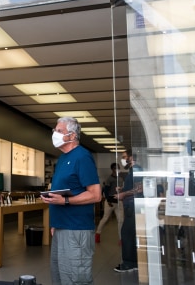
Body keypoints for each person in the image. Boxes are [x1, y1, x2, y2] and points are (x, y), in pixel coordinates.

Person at [41, 117, 101, 285]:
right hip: (61, 227)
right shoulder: (61, 159)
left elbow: (96, 195)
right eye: (54, 131)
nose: (54, 134)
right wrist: (55, 221)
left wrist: (65, 201)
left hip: (76, 230)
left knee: (76, 279)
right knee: (60, 277)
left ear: (72, 136)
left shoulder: (82, 157)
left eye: (59, 131)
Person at [113, 148, 143, 273]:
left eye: (124, 156)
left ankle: (129, 263)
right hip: (130, 205)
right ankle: (134, 261)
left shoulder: (136, 169)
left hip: (133, 205)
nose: (123, 159)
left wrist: (123, 194)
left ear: (131, 157)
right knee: (129, 233)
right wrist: (122, 189)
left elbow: (139, 189)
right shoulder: (132, 170)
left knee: (127, 233)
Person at [95, 162, 124, 244]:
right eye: (115, 168)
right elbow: (106, 191)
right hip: (110, 202)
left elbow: (122, 190)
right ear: (112, 169)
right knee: (105, 218)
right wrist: (108, 201)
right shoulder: (109, 179)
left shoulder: (121, 179)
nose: (117, 169)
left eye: (118, 168)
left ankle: (121, 238)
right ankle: (98, 233)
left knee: (121, 220)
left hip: (119, 202)